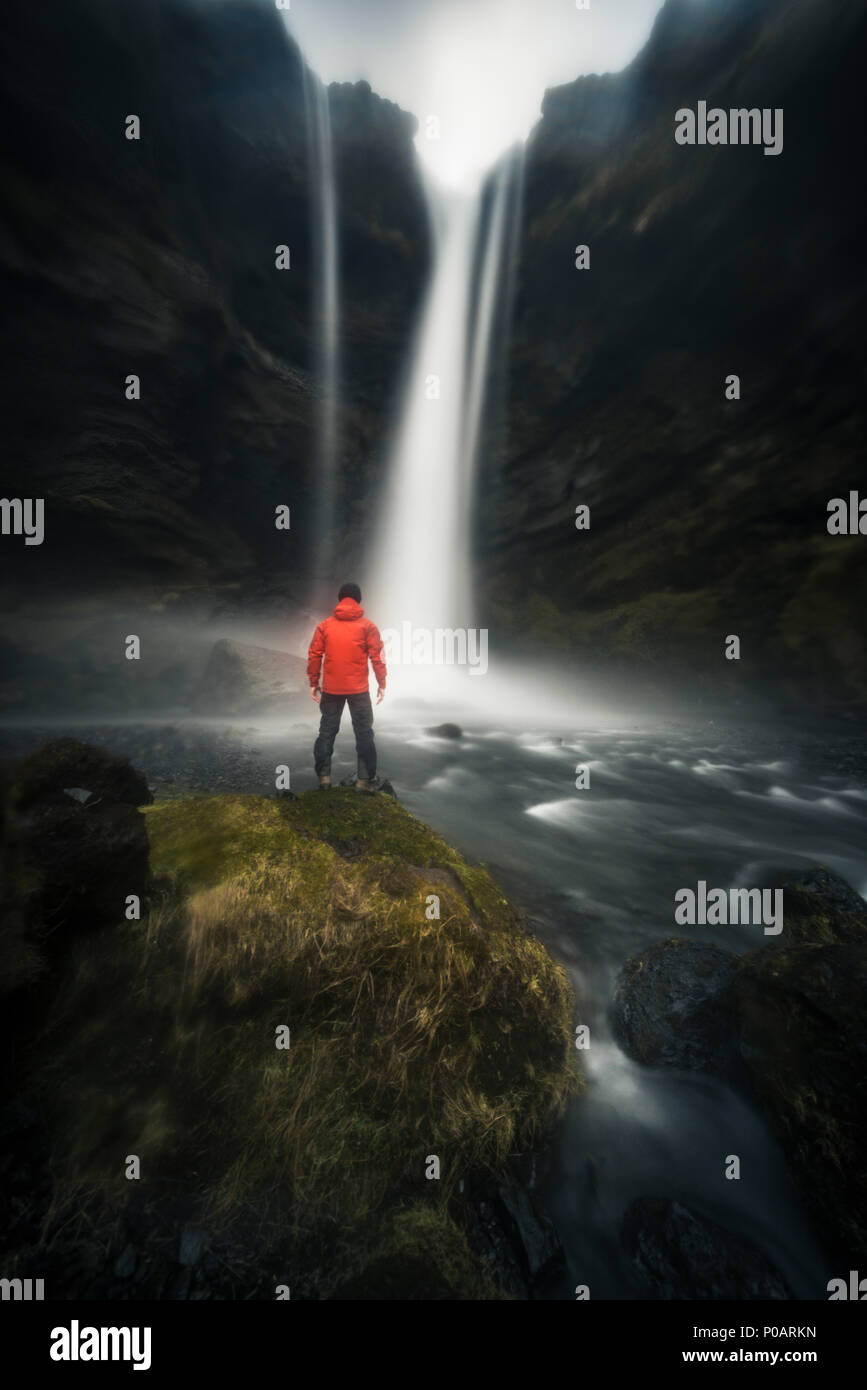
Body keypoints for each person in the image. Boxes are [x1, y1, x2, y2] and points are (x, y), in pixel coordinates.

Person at [307, 582, 387, 792]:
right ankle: (363, 781)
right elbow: (377, 657)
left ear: (340, 600)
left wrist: (314, 682)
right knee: (364, 734)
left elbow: (314, 654)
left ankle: (324, 778)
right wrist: (382, 683)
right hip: (358, 689)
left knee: (326, 732)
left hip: (332, 689)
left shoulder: (324, 626)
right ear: (358, 601)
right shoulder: (368, 626)